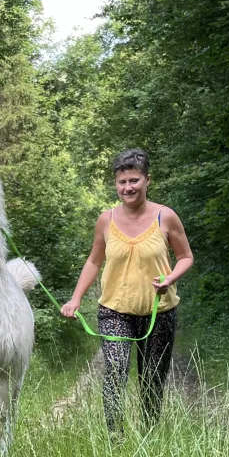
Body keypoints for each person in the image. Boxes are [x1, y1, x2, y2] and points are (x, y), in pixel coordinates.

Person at [60, 148, 193, 435]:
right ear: (116, 184)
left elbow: (186, 257)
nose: (128, 187)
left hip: (160, 311)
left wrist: (170, 278)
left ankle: (149, 434)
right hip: (114, 311)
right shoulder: (105, 220)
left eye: (134, 180)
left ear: (147, 180)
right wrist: (75, 298)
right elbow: (94, 260)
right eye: (122, 182)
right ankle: (114, 436)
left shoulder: (165, 217)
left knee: (153, 379)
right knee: (116, 371)